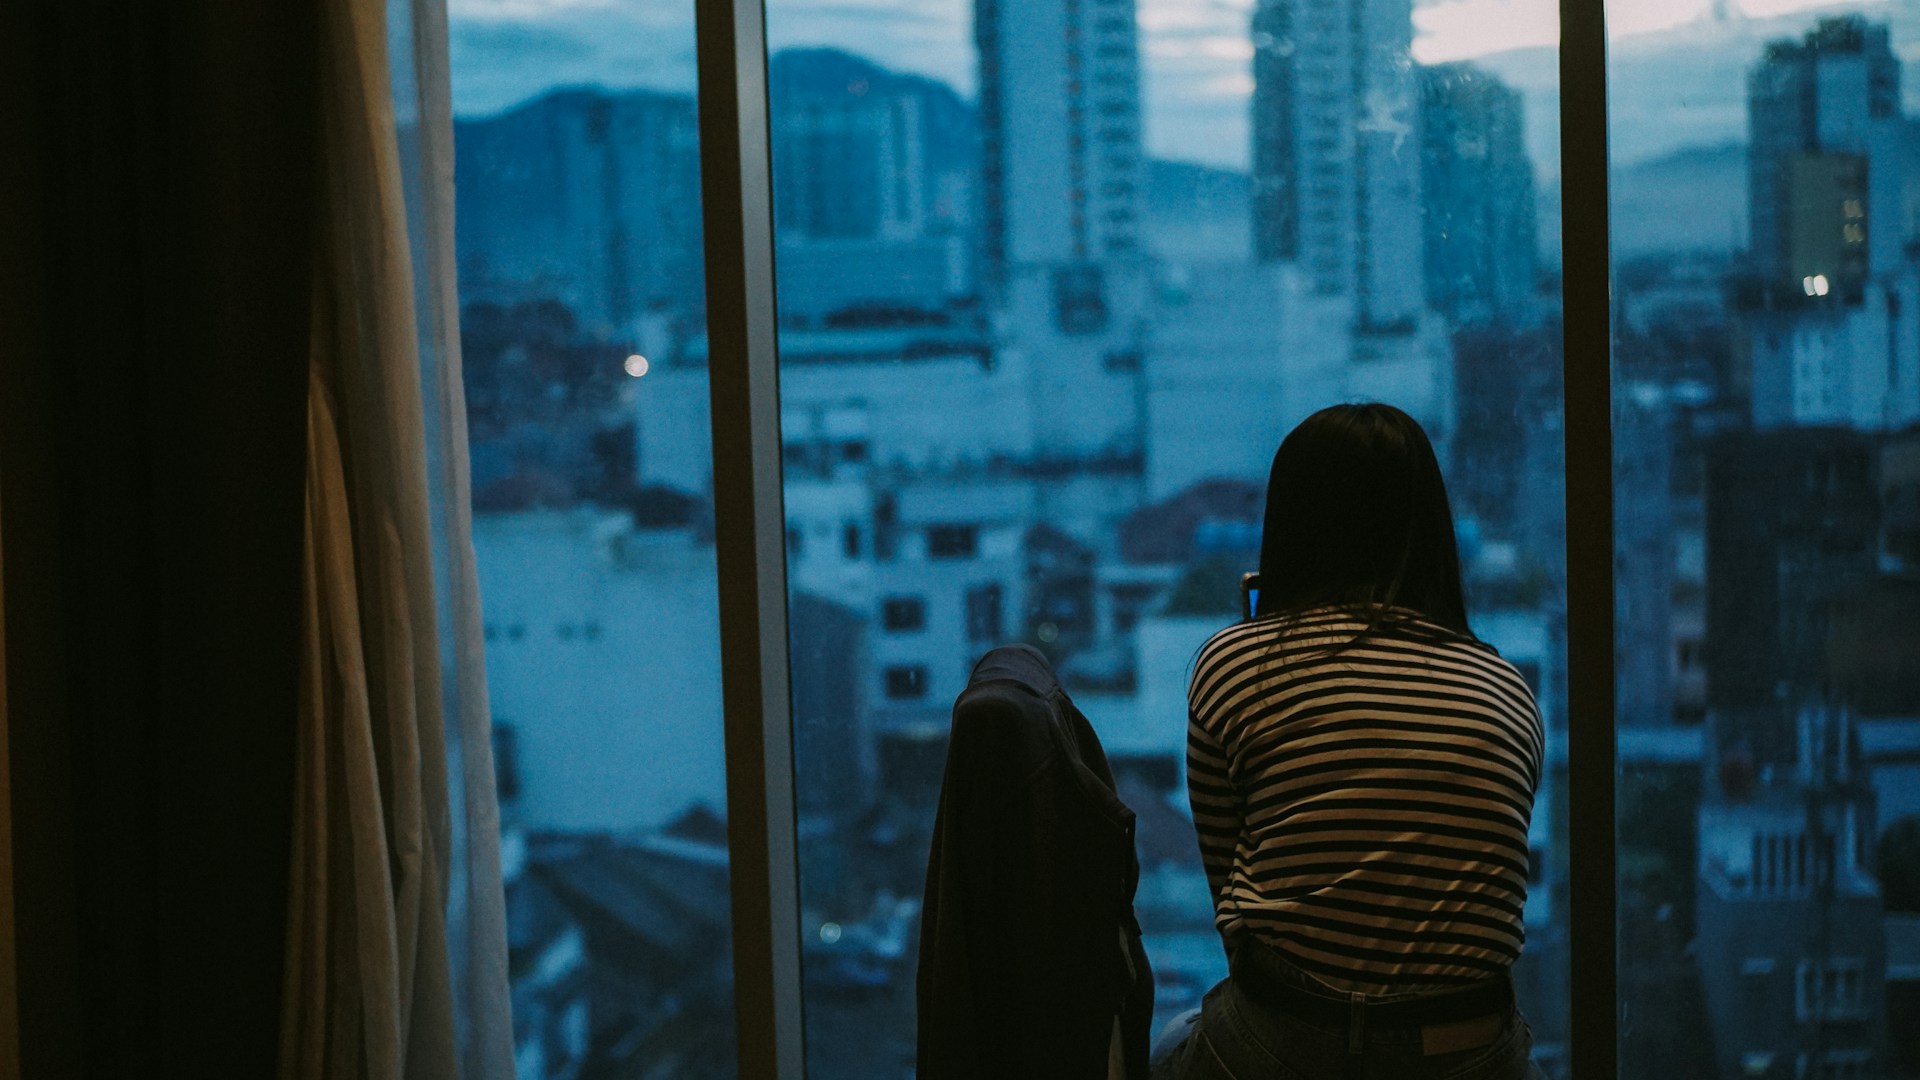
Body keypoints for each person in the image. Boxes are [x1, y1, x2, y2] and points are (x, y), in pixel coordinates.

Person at [1151, 403, 1547, 1080]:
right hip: (1471, 1048)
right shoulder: (1505, 687)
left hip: (1289, 1040)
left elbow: (1234, 909)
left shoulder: (1237, 664)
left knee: (1168, 1045)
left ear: (1289, 526)